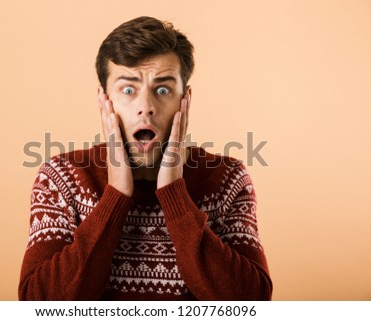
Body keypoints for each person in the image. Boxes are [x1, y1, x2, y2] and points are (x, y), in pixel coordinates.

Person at [18, 16, 272, 300]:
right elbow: (38, 303)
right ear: (104, 100)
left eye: (162, 90)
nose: (146, 107)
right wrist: (115, 195)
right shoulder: (60, 178)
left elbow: (253, 302)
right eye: (128, 90)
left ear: (184, 100)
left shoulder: (228, 179)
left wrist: (174, 194)